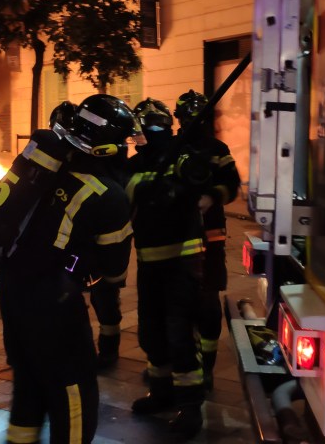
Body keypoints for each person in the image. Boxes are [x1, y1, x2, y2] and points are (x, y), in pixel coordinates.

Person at [0, 94, 140, 444]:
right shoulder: (107, 194)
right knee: (74, 393)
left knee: (28, 384)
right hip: (54, 302)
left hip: (11, 289)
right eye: (123, 142)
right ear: (108, 146)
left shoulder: (44, 170)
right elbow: (114, 271)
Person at [127, 98, 208, 439]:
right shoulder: (134, 165)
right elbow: (125, 195)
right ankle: (161, 392)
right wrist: (146, 189)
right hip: (149, 264)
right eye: (145, 126)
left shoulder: (181, 155)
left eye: (156, 123)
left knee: (180, 335)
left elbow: (200, 175)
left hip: (181, 263)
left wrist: (178, 184)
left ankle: (191, 407)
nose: (151, 130)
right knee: (151, 333)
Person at [51, 101, 126, 370]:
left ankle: (108, 348)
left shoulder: (97, 162)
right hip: (71, 245)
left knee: (104, 296)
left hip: (93, 236)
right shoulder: (61, 160)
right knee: (83, 298)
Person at [174, 89, 241, 391]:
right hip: (176, 236)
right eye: (188, 117)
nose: (193, 123)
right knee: (178, 302)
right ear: (179, 119)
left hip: (210, 234)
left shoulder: (217, 149)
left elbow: (232, 184)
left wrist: (212, 197)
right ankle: (182, 362)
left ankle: (208, 367)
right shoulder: (171, 148)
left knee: (208, 302)